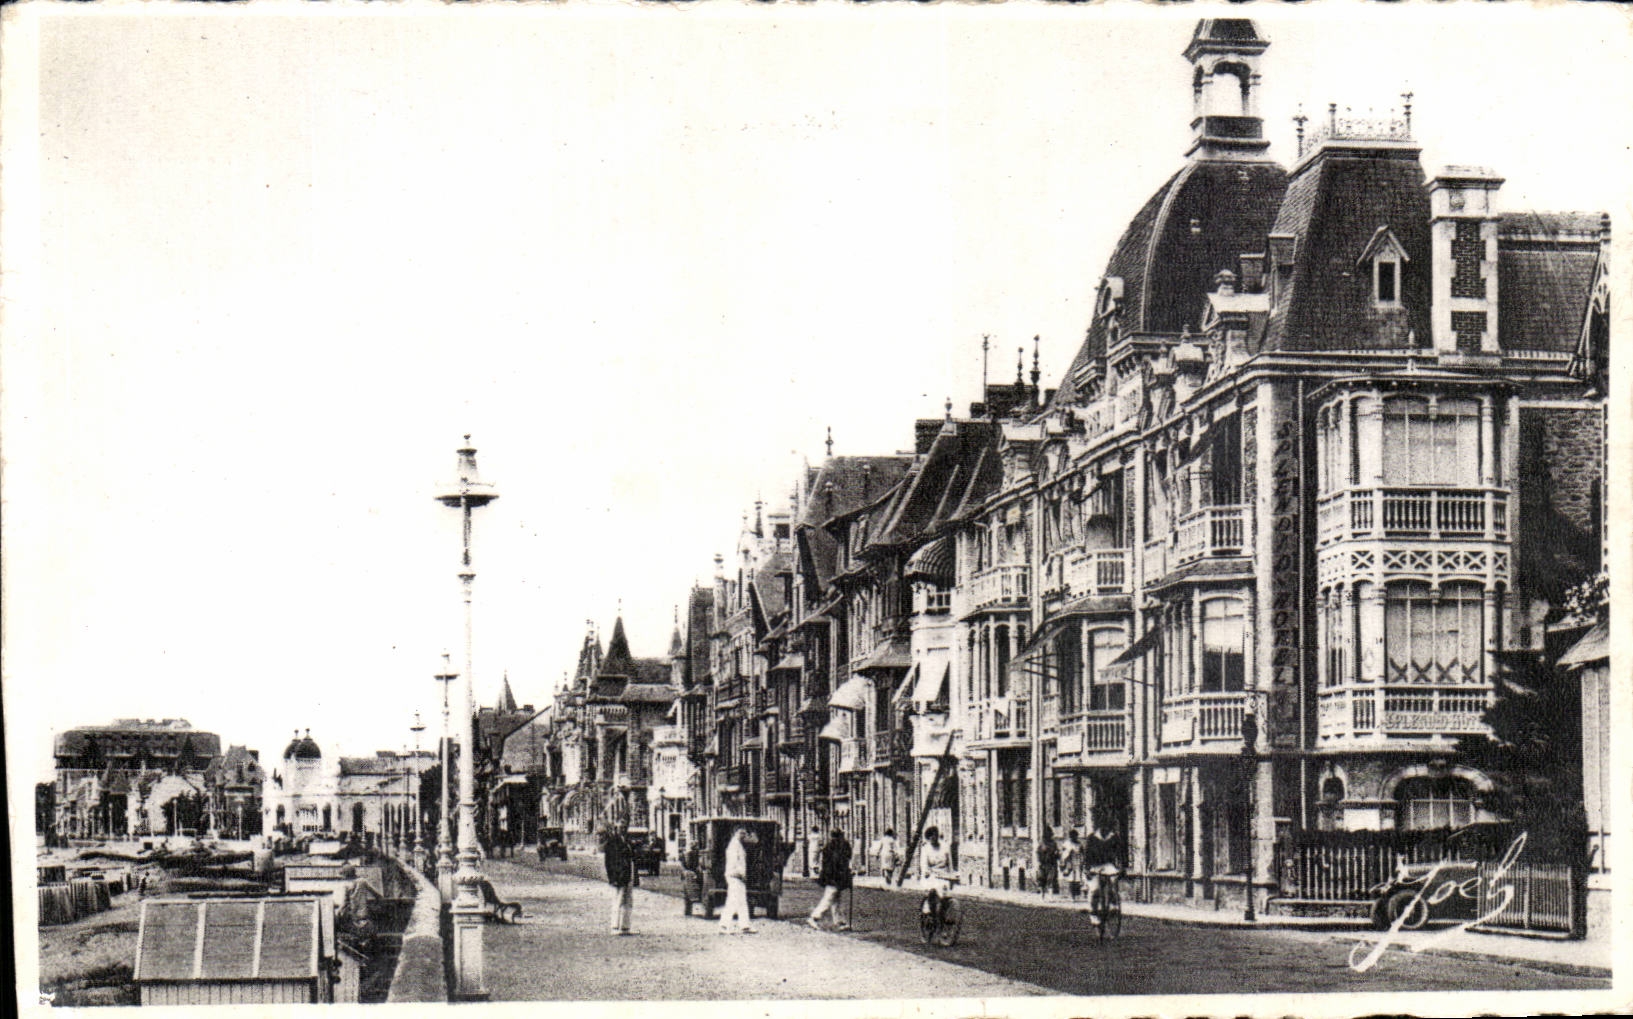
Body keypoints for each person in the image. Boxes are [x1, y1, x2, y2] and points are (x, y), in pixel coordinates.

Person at [809, 828, 853, 930]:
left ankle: (840, 922)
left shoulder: (830, 846)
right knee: (829, 898)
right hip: (834, 877)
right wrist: (846, 874)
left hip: (831, 877)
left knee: (836, 900)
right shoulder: (838, 847)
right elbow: (839, 863)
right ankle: (814, 917)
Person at [1083, 818, 1123, 924]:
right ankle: (1093, 913)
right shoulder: (1092, 838)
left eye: (1107, 826)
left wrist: (1120, 866)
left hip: (1108, 865)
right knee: (1095, 889)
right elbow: (1087, 855)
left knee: (1113, 881)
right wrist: (1087, 869)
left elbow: (1119, 853)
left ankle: (1113, 904)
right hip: (1095, 866)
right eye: (1102, 826)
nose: (1104, 829)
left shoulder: (1114, 837)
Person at [719, 826, 757, 934]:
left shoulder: (738, 845)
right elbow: (734, 863)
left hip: (739, 877)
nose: (743, 835)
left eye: (744, 833)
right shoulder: (734, 846)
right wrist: (740, 874)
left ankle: (745, 926)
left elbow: (755, 841)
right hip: (735, 876)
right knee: (733, 900)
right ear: (735, 833)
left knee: (742, 902)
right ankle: (723, 925)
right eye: (741, 833)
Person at [602, 822, 638, 935]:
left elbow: (633, 859)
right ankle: (615, 926)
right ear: (616, 829)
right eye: (621, 828)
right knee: (618, 900)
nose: (623, 830)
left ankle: (625, 926)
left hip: (628, 874)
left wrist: (635, 877)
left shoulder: (627, 841)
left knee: (628, 900)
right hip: (619, 875)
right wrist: (612, 877)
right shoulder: (612, 842)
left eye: (625, 827)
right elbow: (609, 862)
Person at [919, 825, 955, 921]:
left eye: (935, 835)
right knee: (932, 891)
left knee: (944, 895)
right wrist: (926, 872)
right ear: (928, 838)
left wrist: (951, 875)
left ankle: (944, 914)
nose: (933, 838)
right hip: (931, 875)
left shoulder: (945, 847)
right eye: (931, 837)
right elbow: (923, 864)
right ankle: (928, 909)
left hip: (943, 874)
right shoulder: (926, 848)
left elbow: (950, 863)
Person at [1036, 825, 1060, 901]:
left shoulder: (1053, 843)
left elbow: (1057, 853)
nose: (1049, 836)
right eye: (1048, 835)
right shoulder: (1042, 843)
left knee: (1050, 879)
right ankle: (1042, 896)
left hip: (1051, 864)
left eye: (1050, 834)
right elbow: (1038, 853)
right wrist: (1039, 862)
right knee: (1042, 880)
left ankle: (1050, 896)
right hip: (1043, 864)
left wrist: (1057, 854)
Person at [1060, 829, 1083, 902]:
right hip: (1069, 863)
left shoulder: (1079, 844)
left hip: (1077, 862)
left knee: (1077, 880)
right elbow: (1063, 854)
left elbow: (1082, 853)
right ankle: (1072, 896)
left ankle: (1077, 895)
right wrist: (1065, 860)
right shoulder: (1067, 844)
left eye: (1075, 836)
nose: (1074, 837)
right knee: (1071, 879)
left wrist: (1082, 861)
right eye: (1072, 836)